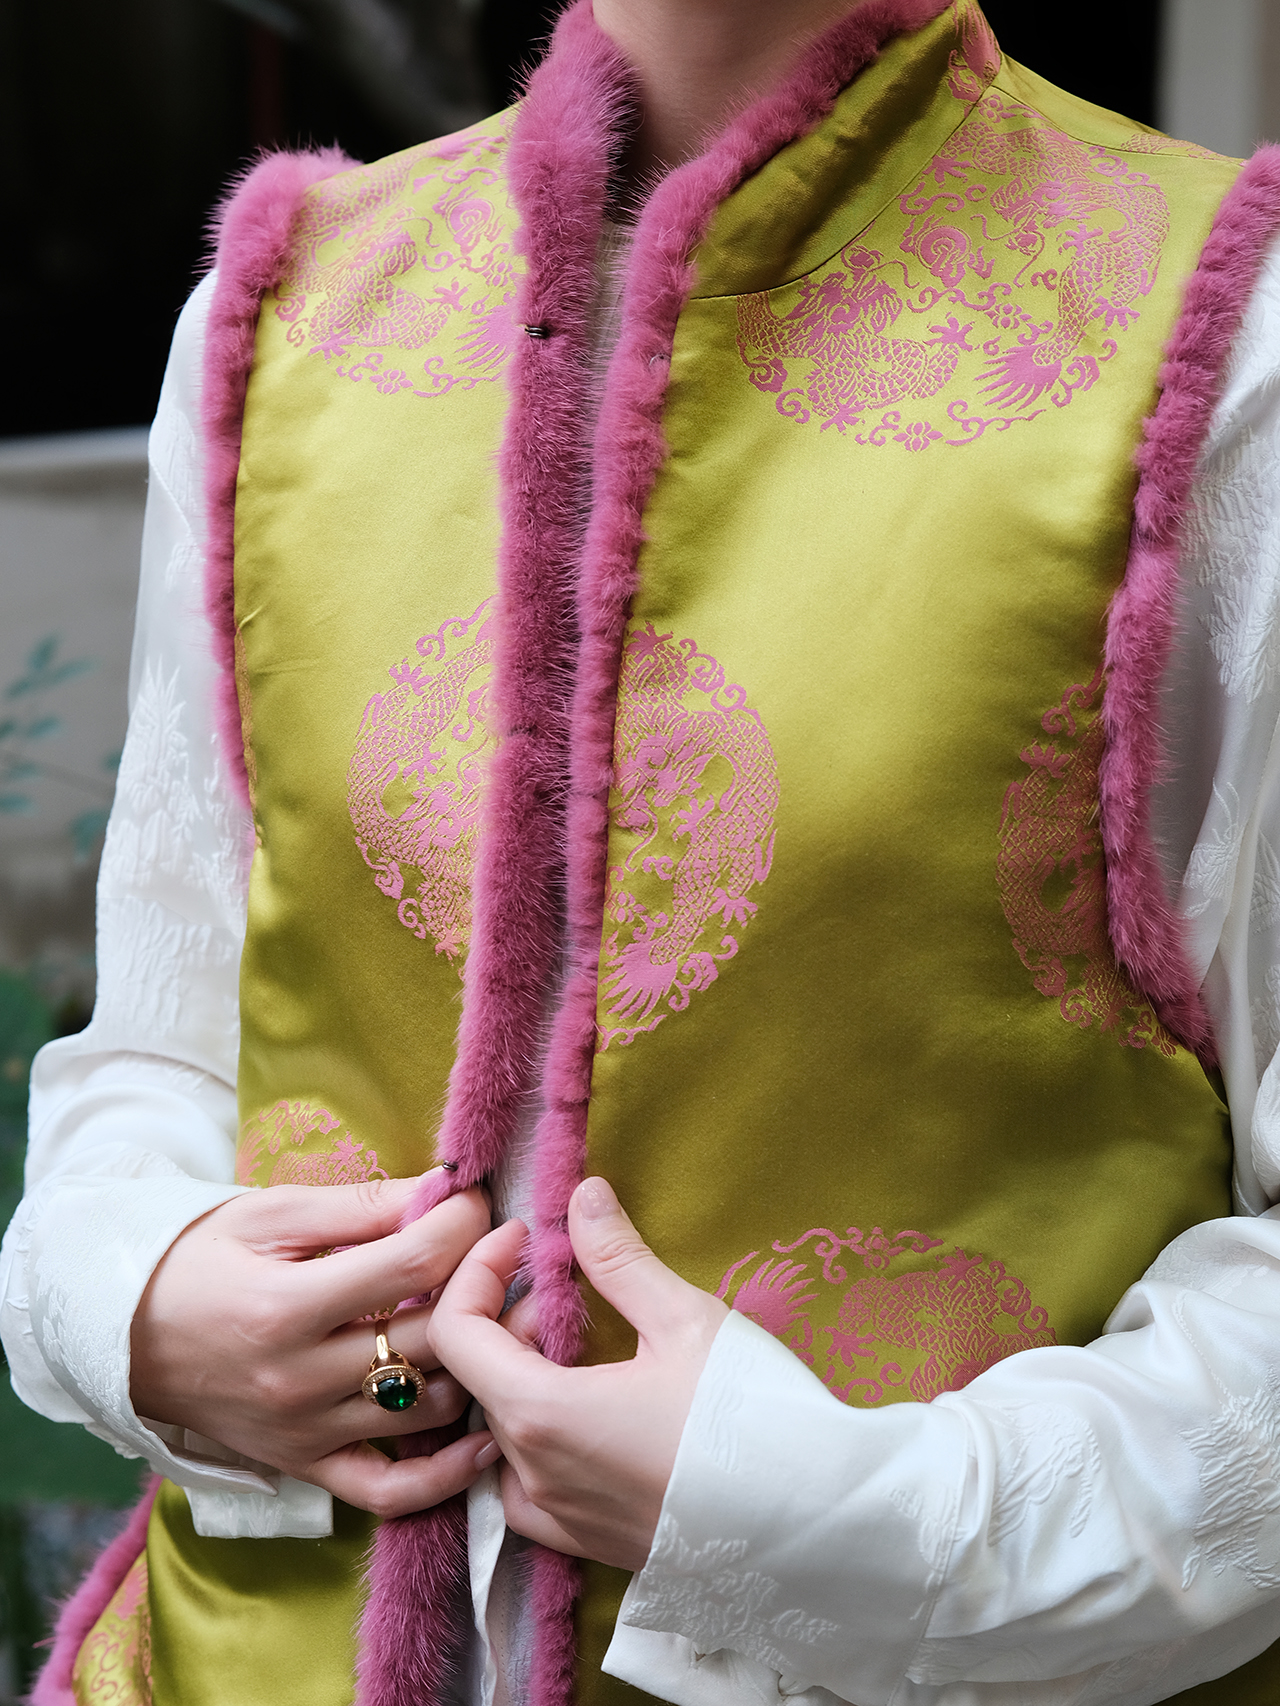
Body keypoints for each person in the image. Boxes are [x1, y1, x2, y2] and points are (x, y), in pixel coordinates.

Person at [7, 0, 1280, 1701]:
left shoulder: (1224, 337)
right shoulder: (286, 310)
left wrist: (839, 1522)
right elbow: (163, 1045)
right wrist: (138, 1305)